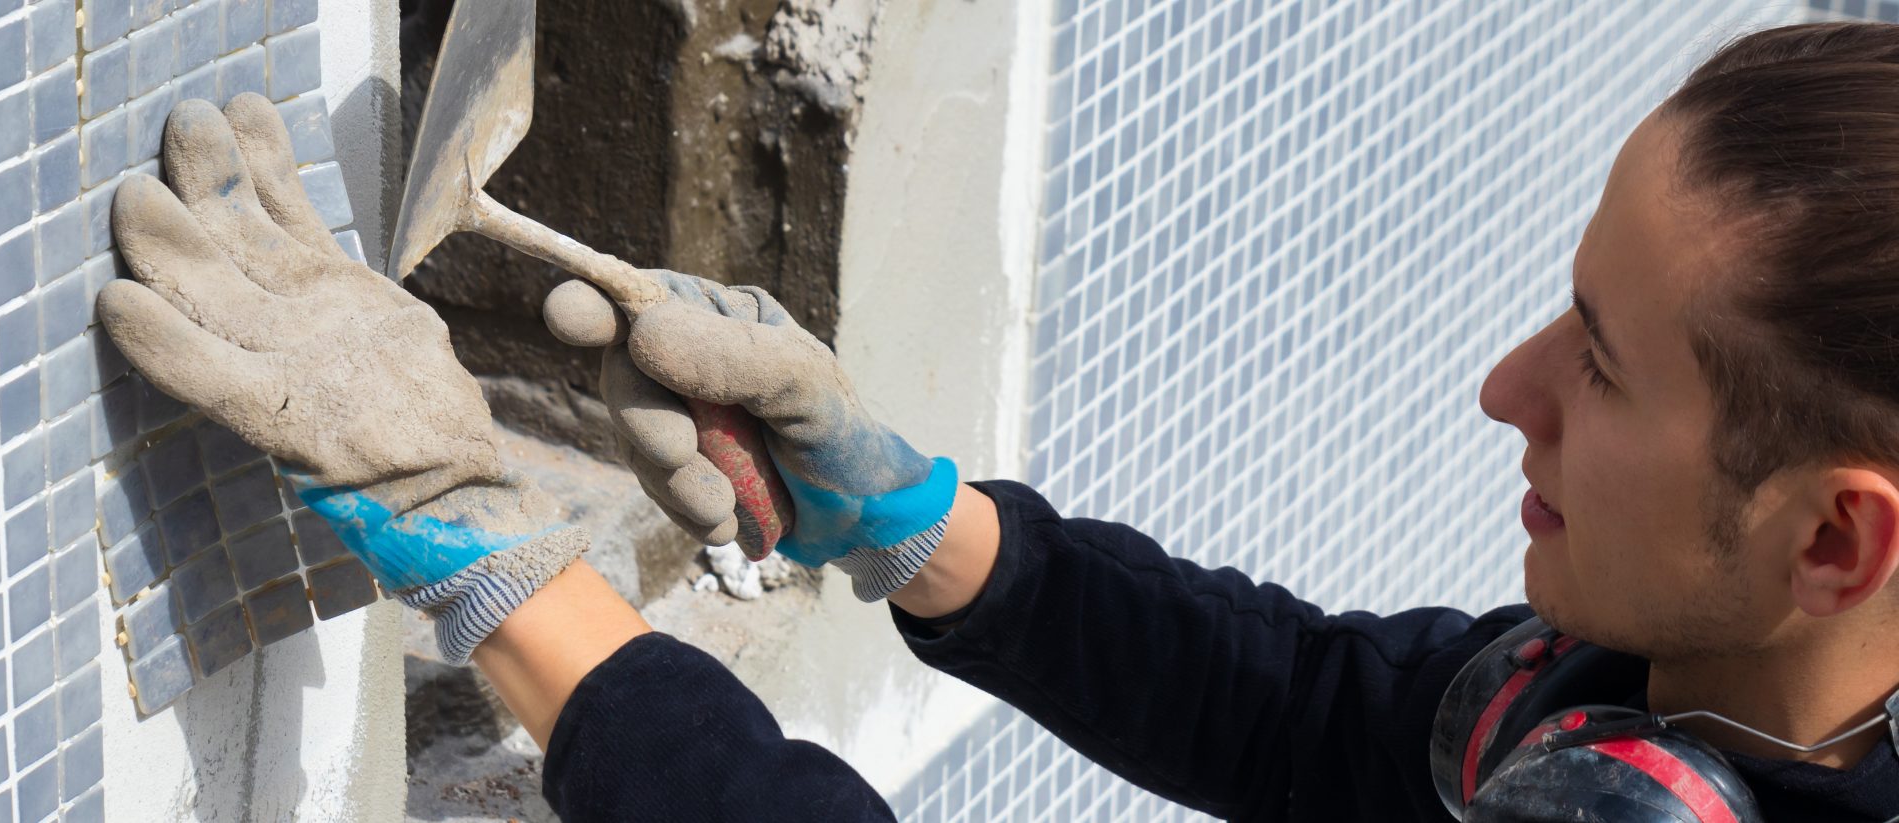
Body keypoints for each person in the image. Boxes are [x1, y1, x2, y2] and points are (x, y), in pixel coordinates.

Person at [94, 21, 1899, 822]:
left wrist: (479, 538)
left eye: (1598, 361)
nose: (1503, 386)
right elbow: (1316, 720)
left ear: (1836, 538)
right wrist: (912, 518)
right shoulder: (1677, 693)